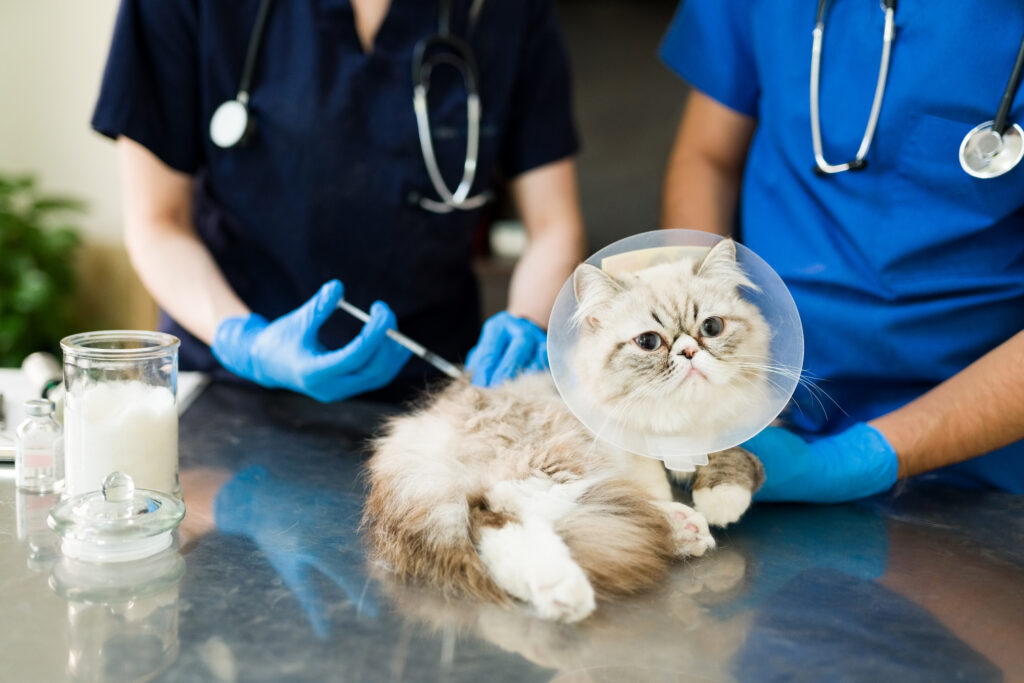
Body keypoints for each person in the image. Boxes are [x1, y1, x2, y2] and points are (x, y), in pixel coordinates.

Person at [92, 0, 585, 403]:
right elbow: (158, 221)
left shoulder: (504, 11)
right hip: (227, 384)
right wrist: (242, 339)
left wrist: (531, 318)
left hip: (432, 395)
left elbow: (554, 224)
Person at [659, 1, 1024, 499]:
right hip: (759, 402)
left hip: (984, 452)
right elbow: (708, 158)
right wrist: (699, 340)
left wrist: (858, 459)